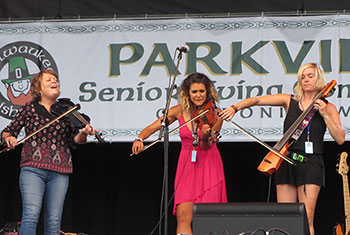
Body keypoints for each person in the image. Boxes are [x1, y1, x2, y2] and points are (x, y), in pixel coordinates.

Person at [220, 62, 345, 235]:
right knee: (285, 217)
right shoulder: (289, 101)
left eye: (310, 76)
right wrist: (235, 108)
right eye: (303, 76)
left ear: (319, 79)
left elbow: (340, 138)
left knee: (306, 218)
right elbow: (257, 100)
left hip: (311, 163)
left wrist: (324, 114)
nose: (306, 80)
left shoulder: (327, 107)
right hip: (286, 159)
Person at [1, 69, 98, 235]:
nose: (55, 82)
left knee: (54, 221)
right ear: (39, 89)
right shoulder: (29, 108)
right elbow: (8, 131)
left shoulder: (66, 110)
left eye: (56, 79)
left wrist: (83, 133)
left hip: (60, 171)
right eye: (49, 80)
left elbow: (74, 142)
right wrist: (9, 138)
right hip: (33, 169)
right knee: (31, 216)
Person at [132, 73, 227, 235]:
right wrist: (140, 138)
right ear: (187, 93)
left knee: (209, 216)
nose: (198, 95)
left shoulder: (215, 114)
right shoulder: (178, 111)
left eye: (202, 91)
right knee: (183, 214)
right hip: (187, 165)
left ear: (208, 92)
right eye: (194, 92)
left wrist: (205, 135)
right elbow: (153, 127)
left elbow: (206, 146)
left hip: (209, 163)